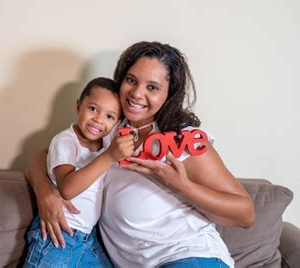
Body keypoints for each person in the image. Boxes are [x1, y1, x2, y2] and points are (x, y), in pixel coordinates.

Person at [26, 42, 255, 268]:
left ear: (169, 94)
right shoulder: (109, 126)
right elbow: (44, 156)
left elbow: (245, 214)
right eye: (131, 80)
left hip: (188, 256)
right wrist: (45, 193)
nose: (136, 93)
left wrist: (180, 185)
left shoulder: (180, 139)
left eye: (152, 87)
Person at [24, 77, 134, 267]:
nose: (98, 120)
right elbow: (66, 187)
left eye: (110, 116)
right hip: (57, 235)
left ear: (117, 123)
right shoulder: (66, 141)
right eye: (93, 109)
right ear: (79, 106)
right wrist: (109, 156)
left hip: (86, 238)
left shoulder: (105, 144)